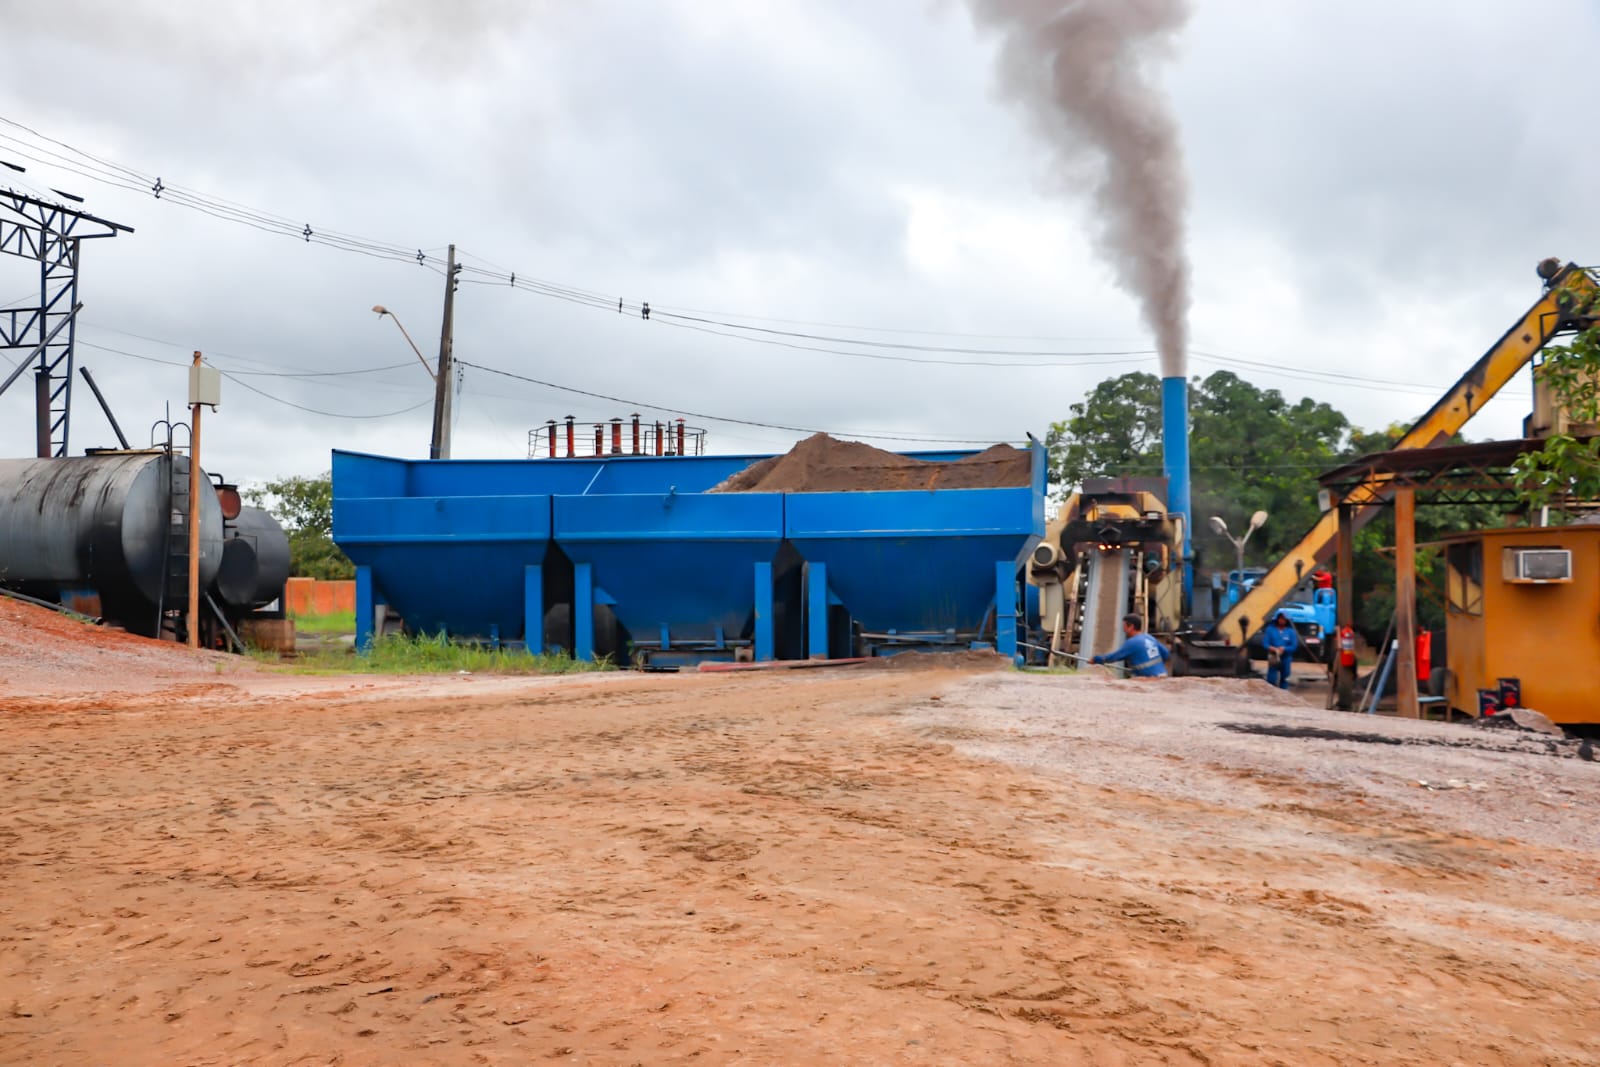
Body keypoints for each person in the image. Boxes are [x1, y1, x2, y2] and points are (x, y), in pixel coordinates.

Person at [1091, 614, 1171, 677]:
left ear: (1131, 627)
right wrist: (1156, 666)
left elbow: (1113, 657)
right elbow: (1166, 654)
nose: (1123, 629)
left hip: (1149, 680)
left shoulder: (1132, 643)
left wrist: (1096, 659)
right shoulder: (1150, 637)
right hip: (1163, 675)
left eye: (1124, 626)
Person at [1263, 611, 1299, 689]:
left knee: (1285, 678)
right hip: (1273, 656)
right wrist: (1271, 648)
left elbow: (1294, 646)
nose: (1282, 620)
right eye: (1280, 618)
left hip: (1286, 657)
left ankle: (1284, 692)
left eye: (1284, 619)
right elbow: (1265, 644)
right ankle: (1271, 693)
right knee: (1271, 679)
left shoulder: (1291, 632)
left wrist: (1284, 648)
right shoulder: (1270, 630)